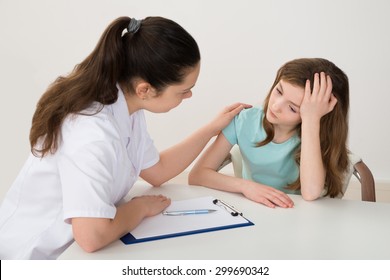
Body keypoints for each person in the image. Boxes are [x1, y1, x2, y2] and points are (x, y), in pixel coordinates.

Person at [0, 16, 250, 259]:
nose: (189, 97)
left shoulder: (126, 106)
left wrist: (212, 129)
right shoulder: (92, 133)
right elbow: (91, 236)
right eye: (184, 91)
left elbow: (157, 171)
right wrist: (139, 208)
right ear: (145, 89)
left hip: (71, 250)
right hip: (33, 256)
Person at [189, 58, 350, 208]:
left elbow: (310, 193)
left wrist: (311, 120)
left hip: (300, 212)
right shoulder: (244, 120)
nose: (275, 106)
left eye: (293, 108)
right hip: (255, 207)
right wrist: (246, 187)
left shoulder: (315, 133)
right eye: (279, 91)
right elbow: (197, 175)